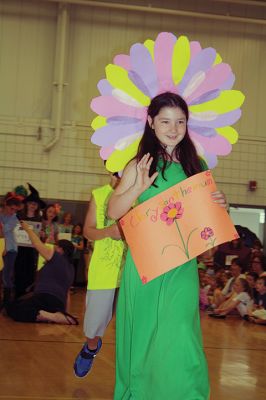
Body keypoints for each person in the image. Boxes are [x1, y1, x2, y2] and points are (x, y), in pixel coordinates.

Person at [107, 92, 228, 399]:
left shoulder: (195, 164)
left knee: (181, 334)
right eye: (165, 121)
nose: (173, 129)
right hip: (145, 265)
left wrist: (220, 206)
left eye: (180, 122)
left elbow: (205, 217)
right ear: (150, 122)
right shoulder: (139, 164)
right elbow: (113, 211)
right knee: (145, 335)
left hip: (182, 266)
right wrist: (136, 187)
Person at [73, 173, 125, 378]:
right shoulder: (100, 195)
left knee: (133, 325)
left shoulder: (141, 193)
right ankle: (91, 347)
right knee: (95, 324)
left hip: (134, 270)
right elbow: (87, 231)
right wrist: (109, 232)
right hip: (105, 270)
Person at [6, 221, 78, 325]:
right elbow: (67, 294)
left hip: (45, 298)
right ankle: (55, 316)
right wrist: (66, 312)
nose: (53, 247)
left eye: (55, 246)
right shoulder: (71, 268)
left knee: (13, 308)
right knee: (20, 304)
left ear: (60, 249)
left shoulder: (56, 256)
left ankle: (48, 316)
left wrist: (28, 229)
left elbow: (37, 244)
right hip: (59, 304)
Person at [14, 183, 46, 298]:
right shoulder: (18, 216)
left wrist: (42, 235)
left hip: (32, 252)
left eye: (35, 204)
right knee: (18, 273)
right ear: (26, 204)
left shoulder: (39, 219)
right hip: (19, 250)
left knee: (29, 275)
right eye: (31, 203)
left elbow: (42, 237)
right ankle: (16, 298)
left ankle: (25, 299)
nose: (33, 205)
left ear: (37, 206)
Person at [0, 192, 23, 309]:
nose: (12, 212)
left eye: (15, 210)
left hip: (10, 249)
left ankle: (6, 303)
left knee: (6, 276)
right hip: (1, 248)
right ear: (5, 204)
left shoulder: (14, 218)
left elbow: (2, 231)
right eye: (11, 208)